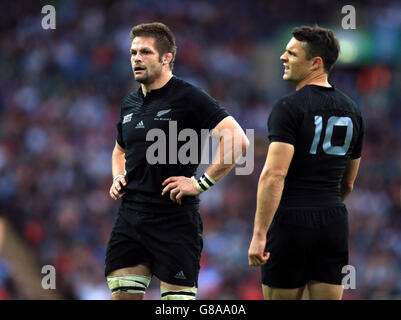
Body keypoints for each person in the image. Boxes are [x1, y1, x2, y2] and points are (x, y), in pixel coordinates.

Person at [105, 22, 249, 300]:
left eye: (145, 52)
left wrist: (200, 183)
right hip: (131, 219)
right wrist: (117, 176)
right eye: (133, 52)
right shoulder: (129, 104)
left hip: (175, 222)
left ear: (166, 57)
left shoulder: (188, 97)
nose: (136, 58)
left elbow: (237, 139)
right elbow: (119, 150)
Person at [248, 25, 364, 300]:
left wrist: (259, 234)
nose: (282, 57)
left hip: (291, 224)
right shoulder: (353, 110)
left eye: (291, 53)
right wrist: (324, 208)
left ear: (316, 63)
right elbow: (347, 182)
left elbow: (274, 175)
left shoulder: (289, 107)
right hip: (334, 223)